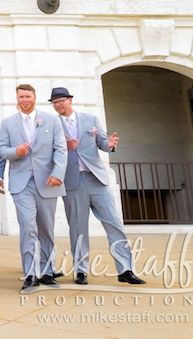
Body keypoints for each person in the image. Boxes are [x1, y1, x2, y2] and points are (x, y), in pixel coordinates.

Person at [48, 87, 145, 285]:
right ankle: (81, 270)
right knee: (78, 227)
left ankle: (125, 269)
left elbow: (102, 142)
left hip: (97, 179)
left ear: (70, 100)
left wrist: (109, 144)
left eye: (61, 101)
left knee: (114, 223)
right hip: (72, 182)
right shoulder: (51, 124)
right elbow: (46, 152)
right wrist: (63, 148)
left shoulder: (91, 119)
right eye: (54, 102)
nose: (58, 105)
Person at [0, 84, 66, 290]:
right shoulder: (8, 123)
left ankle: (47, 271)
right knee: (28, 226)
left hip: (47, 181)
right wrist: (16, 152)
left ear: (34, 97)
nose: (24, 100)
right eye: (21, 96)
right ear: (17, 99)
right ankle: (30, 274)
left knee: (46, 229)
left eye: (27, 96)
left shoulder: (52, 120)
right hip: (21, 183)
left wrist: (57, 174)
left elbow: (61, 149)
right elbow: (1, 149)